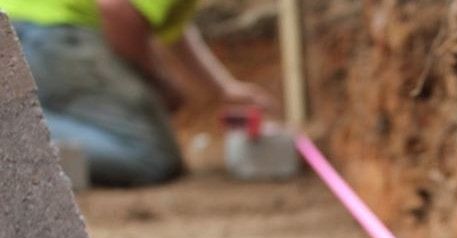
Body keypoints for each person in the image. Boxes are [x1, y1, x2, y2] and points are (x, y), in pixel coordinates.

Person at [2, 0, 275, 185]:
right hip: (55, 36)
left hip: (24, 31)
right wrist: (157, 80)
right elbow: (116, 10)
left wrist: (223, 88)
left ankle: (17, 127)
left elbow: (172, 26)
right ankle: (11, 130)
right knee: (151, 156)